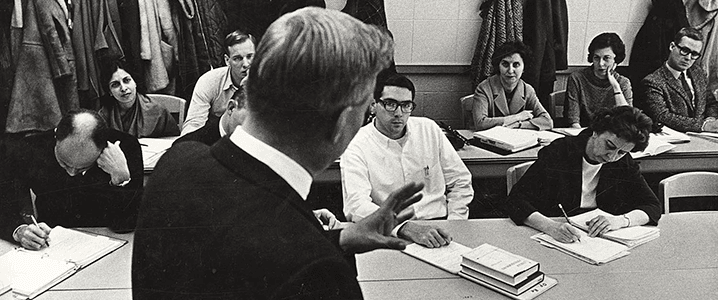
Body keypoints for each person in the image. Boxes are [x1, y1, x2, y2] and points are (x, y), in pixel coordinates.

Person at [132, 8, 421, 299]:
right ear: (341, 121)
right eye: (367, 108)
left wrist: (340, 239)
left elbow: (239, 263)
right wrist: (319, 246)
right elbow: (282, 261)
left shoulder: (178, 161)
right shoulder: (322, 276)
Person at [341, 72, 473, 248]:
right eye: (390, 104)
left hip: (441, 228)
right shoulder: (356, 144)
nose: (398, 113)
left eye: (406, 105)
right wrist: (404, 227)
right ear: (373, 105)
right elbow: (356, 204)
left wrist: (455, 222)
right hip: (390, 234)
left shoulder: (429, 129)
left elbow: (460, 181)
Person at [504, 106, 662, 243]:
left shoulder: (623, 162)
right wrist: (549, 226)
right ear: (596, 132)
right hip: (555, 235)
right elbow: (516, 200)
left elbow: (652, 206)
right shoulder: (559, 151)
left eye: (621, 152)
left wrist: (619, 221)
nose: (611, 157)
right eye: (609, 145)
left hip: (600, 240)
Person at [0, 109, 143, 250]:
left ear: (103, 149)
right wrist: (18, 230)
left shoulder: (126, 147)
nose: (72, 173)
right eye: (64, 163)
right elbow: (4, 205)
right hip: (52, 244)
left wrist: (121, 179)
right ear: (56, 137)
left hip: (111, 243)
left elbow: (126, 225)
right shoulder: (30, 148)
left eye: (83, 168)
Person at [643, 27, 718, 132]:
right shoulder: (653, 81)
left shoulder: (698, 73)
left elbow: (710, 103)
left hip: (703, 137)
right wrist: (703, 126)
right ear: (672, 46)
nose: (688, 58)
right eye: (685, 50)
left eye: (694, 54)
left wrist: (710, 119)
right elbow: (662, 116)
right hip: (675, 138)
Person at [181, 30, 255, 135]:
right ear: (226, 60)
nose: (245, 64)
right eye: (237, 58)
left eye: (250, 56)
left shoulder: (268, 82)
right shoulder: (209, 81)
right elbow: (194, 123)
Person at [472, 41, 553, 131]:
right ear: (498, 66)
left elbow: (547, 121)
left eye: (516, 65)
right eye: (505, 64)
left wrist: (518, 124)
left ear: (524, 68)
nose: (510, 70)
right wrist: (517, 117)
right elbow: (480, 123)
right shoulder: (483, 88)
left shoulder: (528, 90)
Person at [565, 32, 632, 128]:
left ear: (616, 60)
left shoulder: (623, 82)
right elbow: (573, 120)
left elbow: (628, 120)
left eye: (606, 58)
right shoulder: (577, 78)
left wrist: (616, 87)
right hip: (582, 132)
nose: (601, 64)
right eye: (596, 58)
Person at [99, 64, 180, 138]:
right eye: (115, 85)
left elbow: (173, 138)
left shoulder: (157, 109)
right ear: (110, 92)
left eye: (126, 80)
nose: (123, 88)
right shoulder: (104, 114)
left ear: (135, 82)